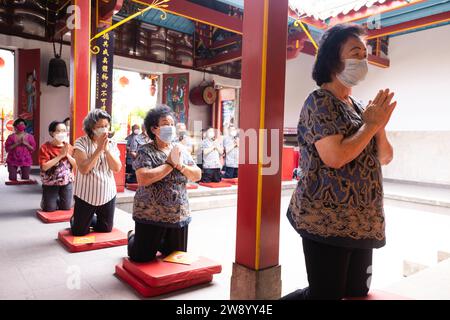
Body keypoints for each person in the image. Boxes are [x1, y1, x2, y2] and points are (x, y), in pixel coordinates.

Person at [282, 24, 396, 300]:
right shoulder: (320, 102)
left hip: (362, 223)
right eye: (356, 52)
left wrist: (378, 126)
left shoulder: (359, 107)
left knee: (357, 291)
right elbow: (335, 157)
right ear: (334, 58)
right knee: (326, 294)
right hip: (325, 221)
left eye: (365, 54)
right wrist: (370, 126)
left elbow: (385, 157)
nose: (363, 60)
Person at [127, 105, 202, 262]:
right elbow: (143, 178)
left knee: (174, 257)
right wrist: (169, 164)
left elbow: (197, 175)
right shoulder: (145, 150)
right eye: (166, 124)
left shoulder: (180, 149)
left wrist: (180, 165)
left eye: (172, 124)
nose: (171, 128)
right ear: (154, 129)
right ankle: (133, 238)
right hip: (150, 213)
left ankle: (159, 241)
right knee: (142, 257)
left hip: (177, 214)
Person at [70, 109, 122, 236]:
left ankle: (89, 218)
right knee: (79, 232)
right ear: (91, 127)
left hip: (107, 193)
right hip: (85, 194)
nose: (104, 129)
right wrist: (99, 149)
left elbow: (116, 168)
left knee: (105, 229)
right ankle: (76, 219)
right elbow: (83, 169)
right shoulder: (81, 142)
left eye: (106, 126)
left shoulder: (112, 143)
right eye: (99, 126)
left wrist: (107, 150)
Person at [39, 121, 76, 212]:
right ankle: (47, 200)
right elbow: (44, 167)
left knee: (67, 207)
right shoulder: (45, 147)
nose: (62, 133)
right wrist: (60, 156)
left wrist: (67, 156)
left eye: (64, 131)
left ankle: (57, 199)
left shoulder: (69, 147)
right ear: (52, 133)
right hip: (50, 182)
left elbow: (75, 164)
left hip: (66, 181)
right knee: (49, 209)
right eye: (58, 131)